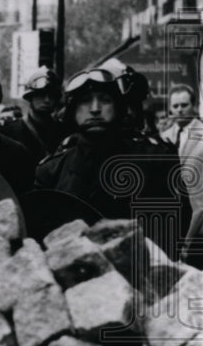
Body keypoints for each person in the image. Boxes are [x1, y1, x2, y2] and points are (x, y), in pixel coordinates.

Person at [35, 68, 187, 258]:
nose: (95, 109)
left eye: (105, 100)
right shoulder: (51, 171)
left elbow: (169, 234)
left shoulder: (154, 161)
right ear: (72, 111)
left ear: (118, 107)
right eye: (85, 101)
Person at [160, 83, 203, 265]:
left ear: (194, 106)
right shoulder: (164, 137)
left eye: (184, 105)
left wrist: (187, 244)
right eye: (175, 106)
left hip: (199, 230)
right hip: (171, 225)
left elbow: (201, 203)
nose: (179, 110)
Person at [0, 66, 67, 165]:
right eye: (41, 94)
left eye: (51, 95)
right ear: (30, 98)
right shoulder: (9, 132)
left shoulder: (63, 132)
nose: (47, 100)